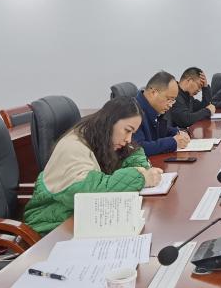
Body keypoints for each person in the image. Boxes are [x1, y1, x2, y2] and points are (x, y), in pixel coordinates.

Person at [23, 97, 163, 234]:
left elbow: (133, 151)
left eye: (132, 133)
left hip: (79, 219)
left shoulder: (99, 137)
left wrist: (140, 168)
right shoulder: (72, 147)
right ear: (110, 121)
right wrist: (140, 177)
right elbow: (88, 193)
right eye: (127, 130)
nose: (128, 139)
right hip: (50, 227)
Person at [136, 71, 191, 155]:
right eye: (169, 99)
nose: (170, 105)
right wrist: (173, 142)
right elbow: (138, 148)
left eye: (173, 100)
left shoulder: (153, 108)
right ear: (153, 93)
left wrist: (178, 132)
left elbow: (160, 130)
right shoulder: (132, 111)